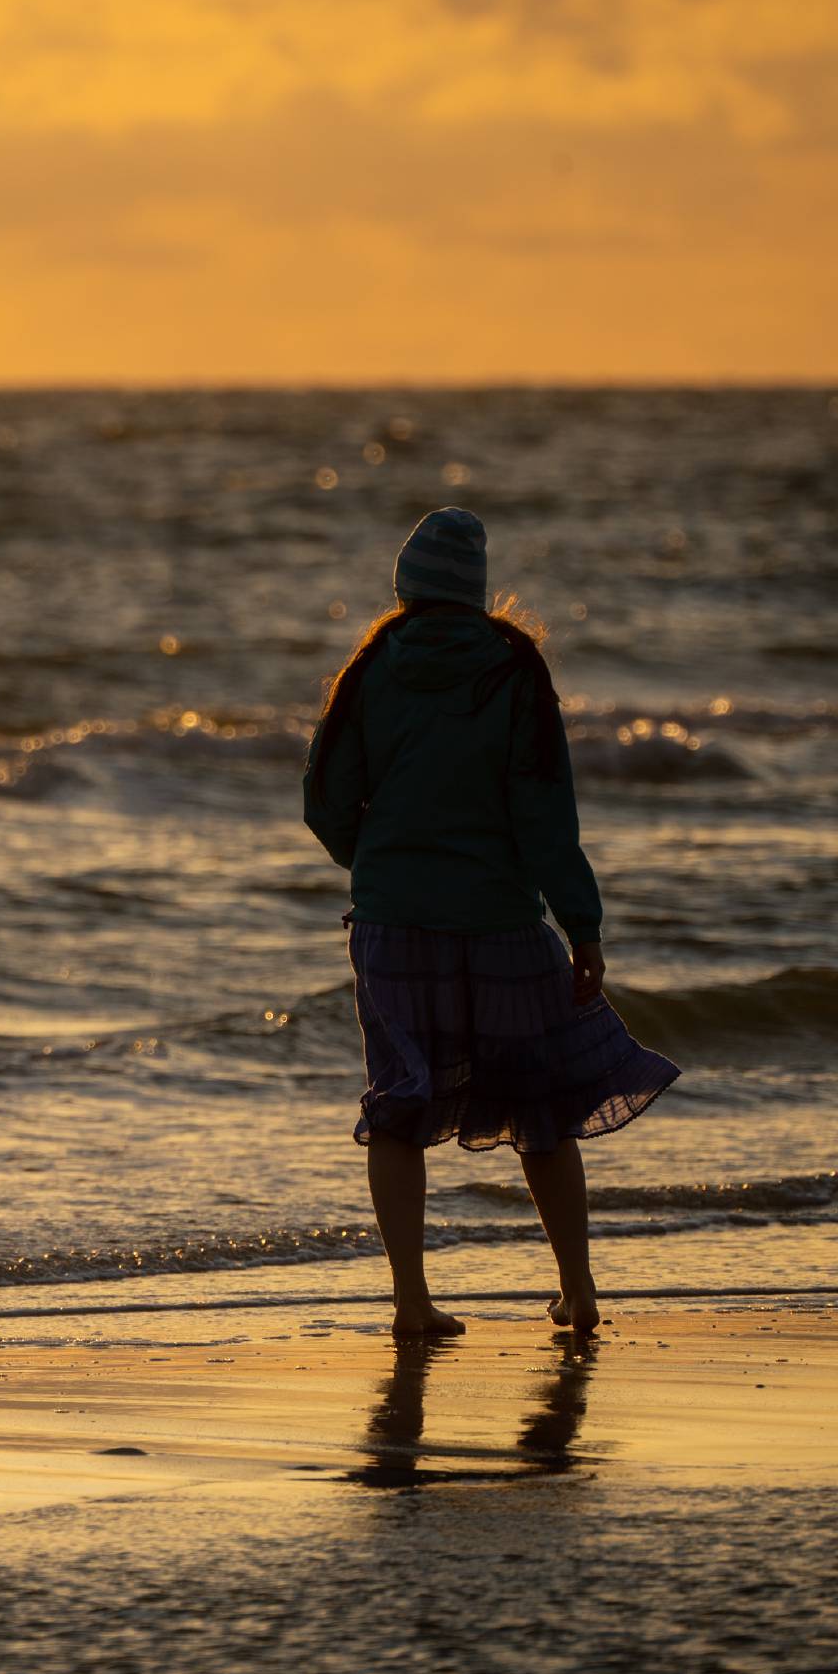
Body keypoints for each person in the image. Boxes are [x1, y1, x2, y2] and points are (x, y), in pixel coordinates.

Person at [302, 507, 679, 1338]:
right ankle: (578, 1292)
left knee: (397, 1109)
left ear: (405, 588)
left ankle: (412, 1302)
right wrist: (583, 925)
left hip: (393, 921)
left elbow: (326, 801)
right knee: (541, 1110)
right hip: (503, 923)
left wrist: (379, 863)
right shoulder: (514, 671)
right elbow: (546, 819)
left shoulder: (370, 668)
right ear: (476, 591)